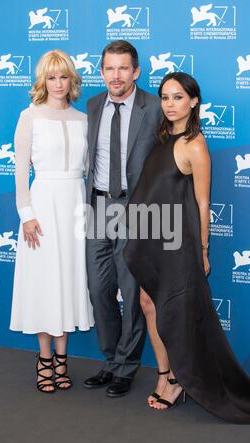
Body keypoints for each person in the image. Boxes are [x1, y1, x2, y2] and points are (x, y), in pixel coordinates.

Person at [123, 72, 250, 423]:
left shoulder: (195, 144)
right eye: (165, 97)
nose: (170, 104)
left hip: (179, 245)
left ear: (193, 101)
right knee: (149, 305)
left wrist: (204, 250)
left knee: (174, 315)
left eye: (178, 97)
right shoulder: (163, 138)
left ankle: (178, 381)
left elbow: (202, 201)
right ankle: (164, 374)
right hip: (153, 237)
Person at [10, 50, 94, 393]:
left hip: (75, 205)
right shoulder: (29, 116)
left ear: (71, 80)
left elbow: (88, 169)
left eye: (63, 77)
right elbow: (20, 171)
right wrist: (26, 215)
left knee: (70, 280)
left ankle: (63, 359)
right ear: (42, 81)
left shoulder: (83, 119)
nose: (58, 84)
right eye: (51, 77)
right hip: (42, 207)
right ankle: (45, 359)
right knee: (45, 282)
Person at [84, 40, 162, 398]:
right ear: (101, 71)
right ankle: (110, 360)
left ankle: (126, 367)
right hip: (97, 207)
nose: (116, 75)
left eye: (123, 68)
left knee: (131, 294)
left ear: (136, 71)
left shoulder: (156, 108)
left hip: (135, 209)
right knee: (100, 290)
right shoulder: (94, 104)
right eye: (109, 68)